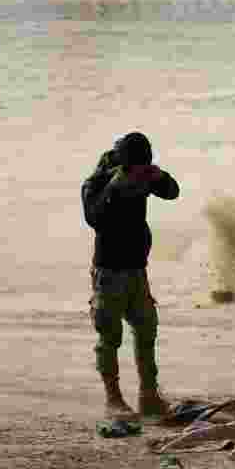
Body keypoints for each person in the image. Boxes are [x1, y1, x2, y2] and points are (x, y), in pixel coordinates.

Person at [81, 132, 180, 418]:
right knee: (110, 336)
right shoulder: (97, 183)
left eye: (146, 166)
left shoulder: (142, 174)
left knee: (147, 330)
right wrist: (114, 189)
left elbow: (172, 191)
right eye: (138, 167)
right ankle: (113, 400)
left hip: (138, 270)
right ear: (125, 165)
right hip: (109, 271)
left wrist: (158, 177)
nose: (141, 173)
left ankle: (148, 396)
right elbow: (94, 219)